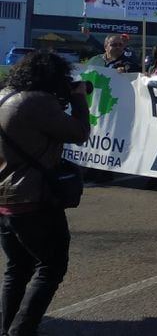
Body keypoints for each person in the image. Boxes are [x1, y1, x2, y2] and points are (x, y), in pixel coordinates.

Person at [0, 52, 91, 336]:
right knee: (52, 266)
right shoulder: (37, 102)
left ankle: (7, 328)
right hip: (32, 198)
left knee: (17, 268)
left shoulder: (5, 95)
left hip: (5, 198)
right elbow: (79, 132)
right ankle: (21, 330)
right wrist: (77, 99)